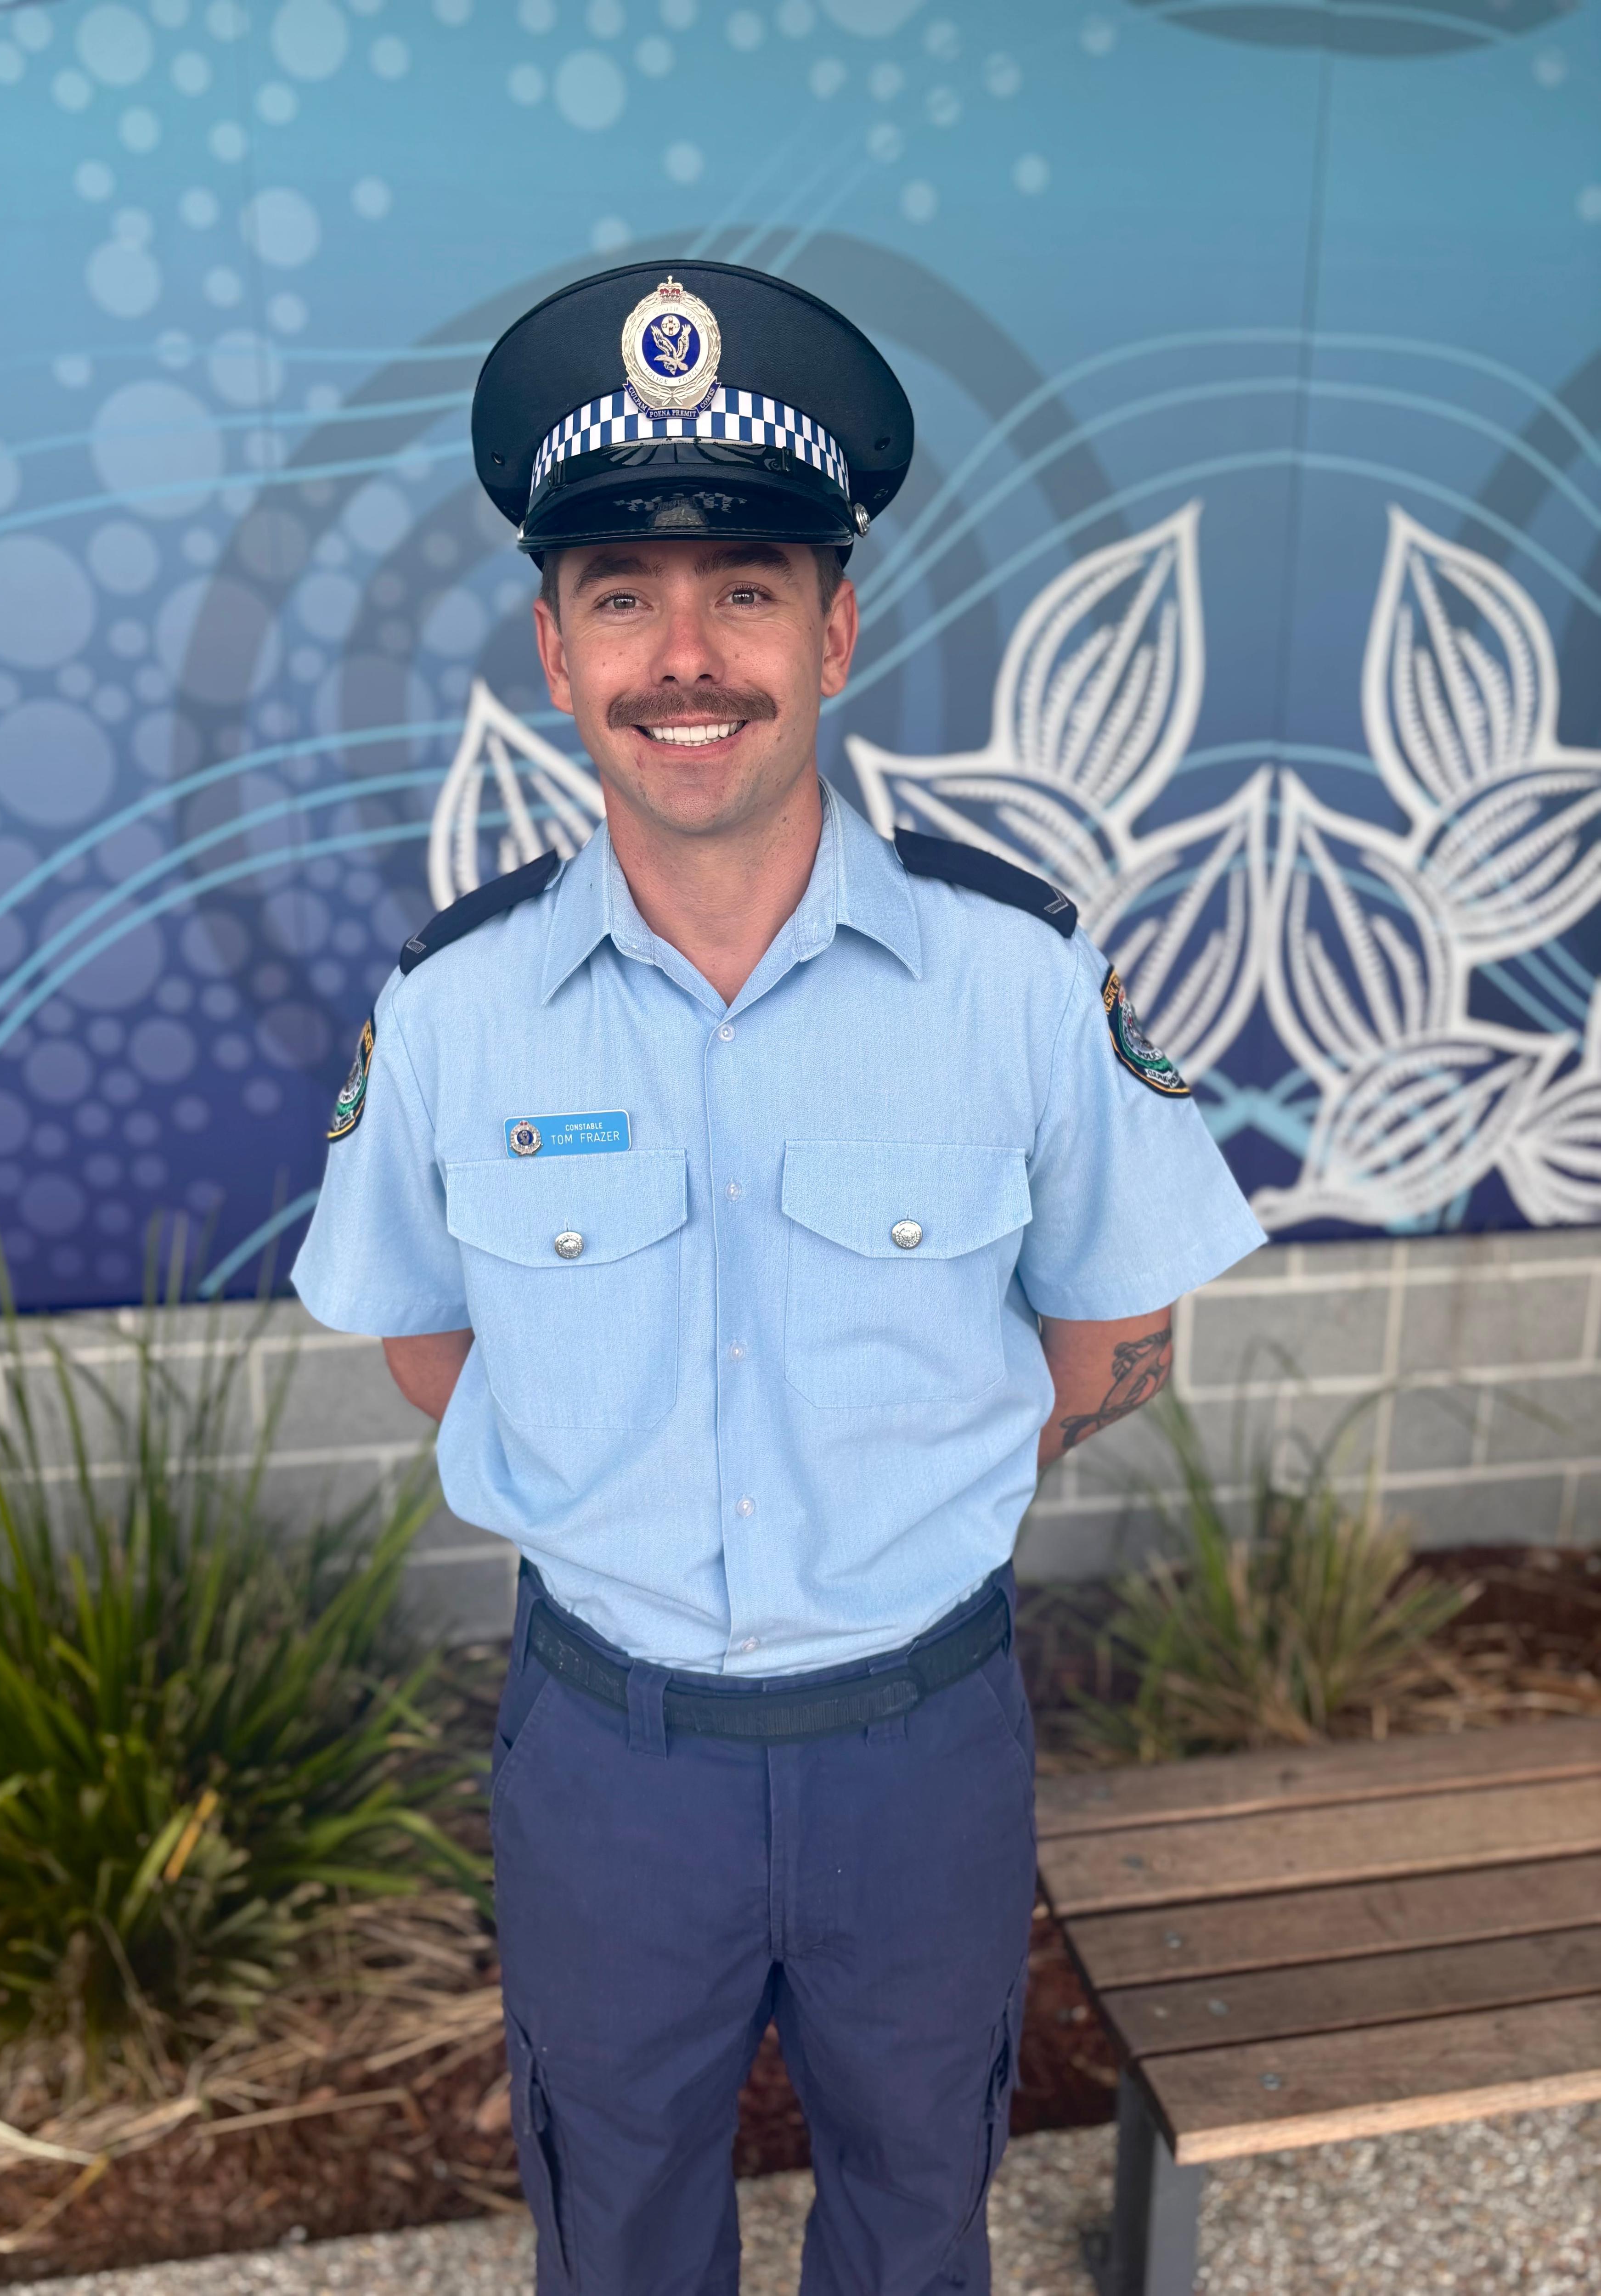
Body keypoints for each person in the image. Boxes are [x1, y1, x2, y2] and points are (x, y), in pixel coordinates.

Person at [292, 259, 1265, 2296]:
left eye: (741, 581)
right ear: (551, 648)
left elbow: (1104, 1335)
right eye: (622, 591)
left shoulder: (1012, 979)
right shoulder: (458, 1012)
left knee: (916, 2211)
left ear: (834, 622)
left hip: (914, 1744)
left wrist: (905, 1484)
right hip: (604, 1752)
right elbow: (420, 1339)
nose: (684, 651)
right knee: (615, 2214)